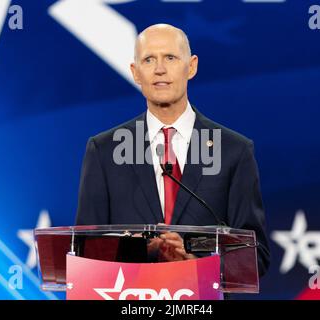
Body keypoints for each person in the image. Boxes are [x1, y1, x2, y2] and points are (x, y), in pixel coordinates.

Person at [75, 24, 269, 275]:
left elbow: (255, 256)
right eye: (148, 59)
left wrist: (192, 263)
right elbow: (85, 252)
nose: (159, 69)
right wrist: (143, 251)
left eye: (170, 57)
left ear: (191, 66)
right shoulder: (104, 151)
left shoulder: (233, 151)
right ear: (135, 72)